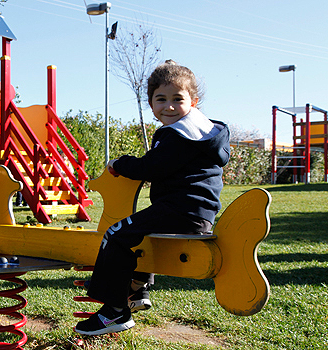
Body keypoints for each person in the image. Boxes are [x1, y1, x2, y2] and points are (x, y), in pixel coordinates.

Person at [74, 60, 230, 336]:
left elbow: (151, 167)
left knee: (116, 233)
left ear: (193, 101)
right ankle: (137, 289)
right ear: (151, 102)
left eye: (177, 99)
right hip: (199, 214)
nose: (169, 106)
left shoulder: (177, 134)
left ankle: (114, 311)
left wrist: (121, 164)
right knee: (141, 232)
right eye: (161, 99)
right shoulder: (205, 132)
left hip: (178, 209)